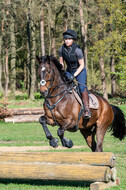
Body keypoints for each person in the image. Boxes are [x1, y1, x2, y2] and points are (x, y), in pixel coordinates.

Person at [59, 29, 91, 119]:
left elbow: (82, 65)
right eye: (65, 39)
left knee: (81, 87)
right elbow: (61, 63)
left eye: (69, 39)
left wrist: (74, 75)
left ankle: (87, 109)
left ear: (73, 40)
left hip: (79, 70)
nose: (67, 40)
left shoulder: (77, 50)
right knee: (64, 86)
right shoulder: (61, 49)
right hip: (69, 70)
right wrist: (61, 71)